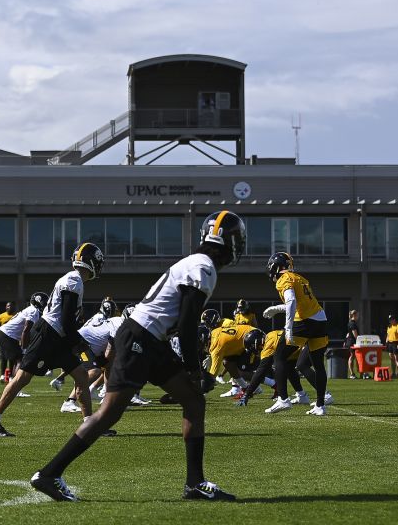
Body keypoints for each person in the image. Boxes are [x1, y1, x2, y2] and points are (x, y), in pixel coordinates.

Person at [29, 211, 247, 503]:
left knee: (194, 400)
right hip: (141, 337)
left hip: (149, 339)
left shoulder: (197, 263)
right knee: (109, 412)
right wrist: (194, 369)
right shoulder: (204, 267)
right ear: (228, 241)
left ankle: (195, 483)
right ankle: (49, 474)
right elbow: (187, 323)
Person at [0, 243, 106, 438]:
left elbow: (67, 321)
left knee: (82, 376)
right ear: (92, 262)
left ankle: (89, 426)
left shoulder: (74, 280)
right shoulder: (74, 280)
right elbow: (66, 321)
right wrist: (78, 343)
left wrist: (75, 340)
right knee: (22, 378)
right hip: (49, 335)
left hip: (58, 336)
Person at [264, 252, 331, 415]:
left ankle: (283, 399)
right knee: (318, 364)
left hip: (305, 321)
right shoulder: (300, 278)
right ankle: (321, 405)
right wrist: (277, 309)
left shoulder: (284, 279)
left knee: (279, 356)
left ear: (276, 266)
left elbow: (291, 301)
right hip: (321, 320)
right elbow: (299, 302)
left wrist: (288, 327)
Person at [0, 292, 46, 397]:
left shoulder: (33, 310)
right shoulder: (33, 311)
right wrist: (24, 347)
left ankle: (12, 383)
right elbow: (26, 330)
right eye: (43, 303)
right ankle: (15, 389)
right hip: (7, 334)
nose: (45, 305)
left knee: (17, 360)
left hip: (7, 334)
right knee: (20, 360)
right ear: (37, 302)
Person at [0, 302, 15, 382]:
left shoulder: (16, 315)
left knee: (12, 358)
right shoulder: (1, 316)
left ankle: (10, 376)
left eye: (10, 306)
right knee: (3, 358)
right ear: (5, 307)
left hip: (12, 339)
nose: (9, 307)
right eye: (7, 306)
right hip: (3, 339)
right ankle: (2, 375)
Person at [344, 310, 360, 379]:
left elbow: (348, 334)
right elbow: (355, 335)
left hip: (349, 341)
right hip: (352, 342)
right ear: (354, 315)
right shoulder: (352, 324)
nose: (358, 317)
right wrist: (359, 341)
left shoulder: (350, 323)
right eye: (357, 315)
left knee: (353, 357)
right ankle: (352, 374)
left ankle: (354, 373)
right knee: (352, 356)